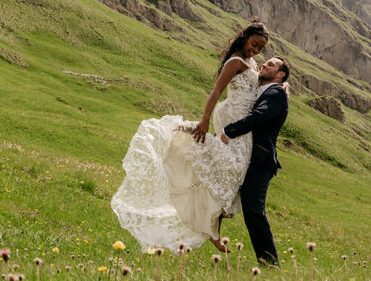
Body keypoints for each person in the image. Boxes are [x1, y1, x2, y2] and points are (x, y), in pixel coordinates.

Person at [111, 18, 270, 252]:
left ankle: (214, 227)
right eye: (254, 44)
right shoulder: (235, 60)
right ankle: (188, 130)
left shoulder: (252, 61)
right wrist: (205, 119)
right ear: (245, 37)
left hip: (244, 123)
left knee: (232, 173)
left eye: (260, 48)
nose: (255, 50)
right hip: (234, 117)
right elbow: (216, 90)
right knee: (231, 169)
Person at [220, 55, 291, 266]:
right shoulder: (261, 89)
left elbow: (260, 117)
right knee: (249, 210)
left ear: (280, 75)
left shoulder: (277, 93)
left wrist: (229, 130)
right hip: (246, 155)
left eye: (271, 64)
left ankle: (270, 262)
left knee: (254, 212)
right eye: (265, 62)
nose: (264, 64)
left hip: (261, 160)